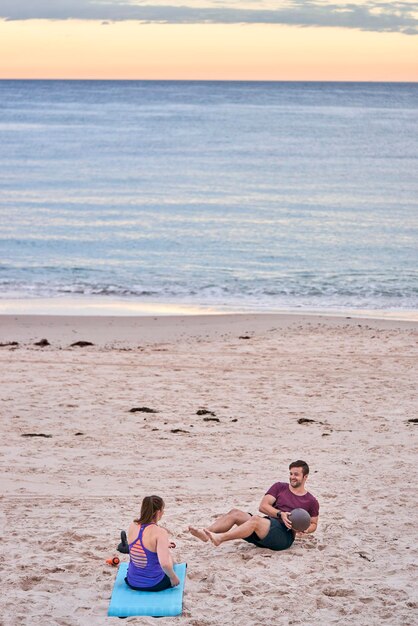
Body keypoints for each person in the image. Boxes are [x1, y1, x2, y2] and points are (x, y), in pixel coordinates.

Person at [188, 460, 319, 551]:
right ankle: (207, 533)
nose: (292, 477)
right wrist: (280, 514)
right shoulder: (280, 487)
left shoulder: (311, 500)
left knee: (255, 520)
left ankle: (220, 538)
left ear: (305, 477)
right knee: (235, 513)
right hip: (267, 525)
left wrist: (306, 529)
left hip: (284, 537)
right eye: (291, 473)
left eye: (296, 474)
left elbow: (313, 523)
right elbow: (263, 506)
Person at [125, 495, 180, 591]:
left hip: (132, 582)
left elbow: (141, 545)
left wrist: (163, 543)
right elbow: (165, 564)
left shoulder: (132, 526)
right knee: (169, 557)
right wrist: (173, 577)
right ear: (158, 512)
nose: (163, 512)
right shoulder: (160, 532)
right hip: (154, 583)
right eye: (163, 510)